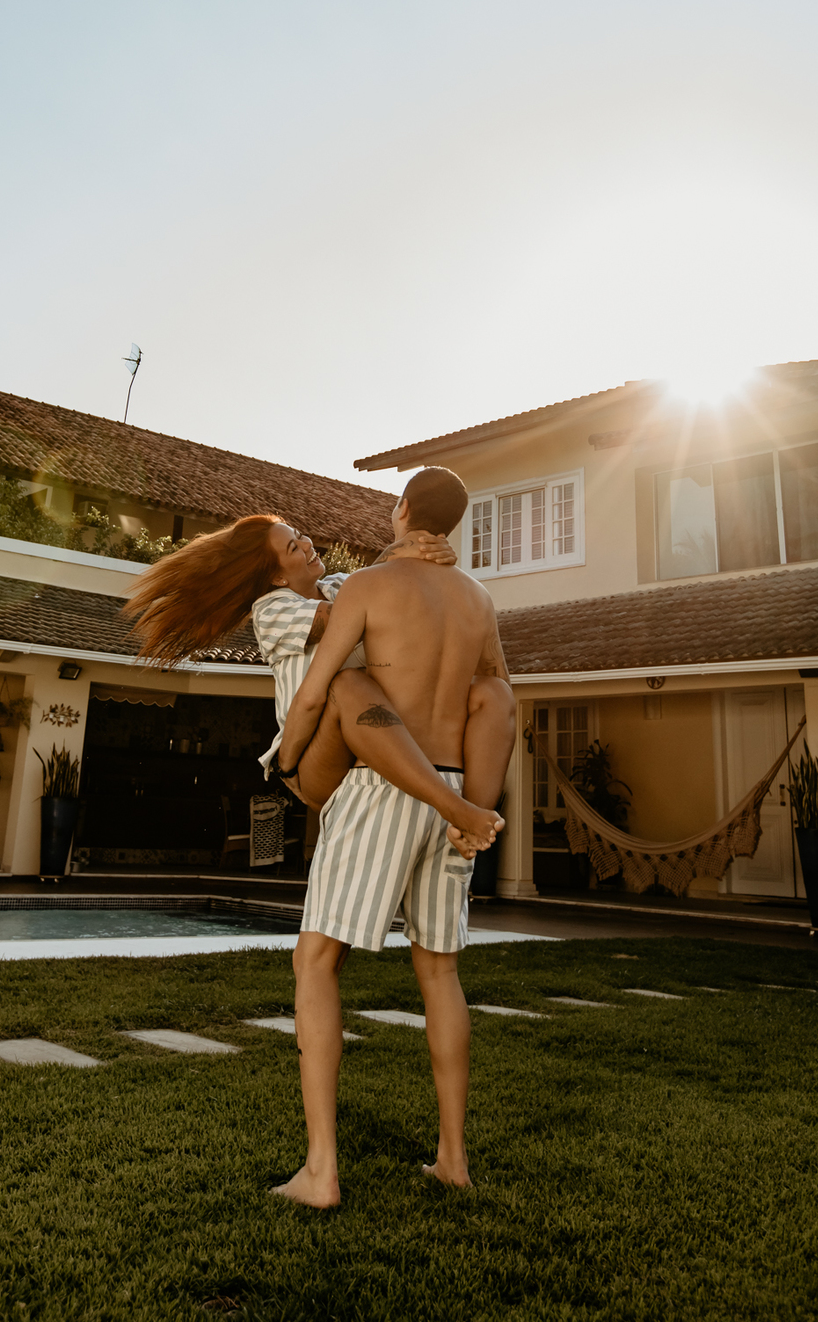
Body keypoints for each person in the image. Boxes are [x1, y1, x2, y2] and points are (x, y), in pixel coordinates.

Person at [273, 466, 516, 1209]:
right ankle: (453, 1160)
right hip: (454, 792)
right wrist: (475, 803)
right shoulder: (478, 600)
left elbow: (318, 688)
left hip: (384, 782)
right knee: (439, 973)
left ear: (402, 509)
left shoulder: (370, 587)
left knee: (317, 961)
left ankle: (321, 1172)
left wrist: (288, 759)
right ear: (453, 525)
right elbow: (496, 698)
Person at [123, 508, 512, 853]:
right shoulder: (271, 609)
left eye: (300, 535)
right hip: (311, 757)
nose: (308, 544)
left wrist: (420, 554)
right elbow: (353, 610)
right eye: (294, 547)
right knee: (349, 686)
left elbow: (379, 586)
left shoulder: (338, 584)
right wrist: (406, 550)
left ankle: (470, 829)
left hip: (369, 740)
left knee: (491, 692)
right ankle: (456, 809)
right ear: (277, 575)